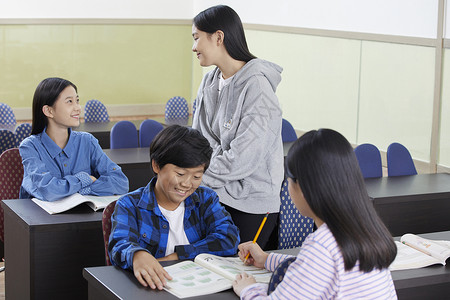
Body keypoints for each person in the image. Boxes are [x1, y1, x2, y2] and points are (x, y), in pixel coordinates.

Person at [233, 129, 398, 299]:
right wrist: (267, 259)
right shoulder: (366, 230)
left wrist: (248, 289)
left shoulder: (322, 246)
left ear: (304, 188)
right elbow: (313, 269)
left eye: (288, 181)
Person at [191, 5, 283, 250]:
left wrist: (195, 175)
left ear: (218, 37)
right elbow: (197, 140)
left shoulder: (258, 88)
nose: (193, 47)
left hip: (253, 203)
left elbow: (243, 159)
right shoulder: (209, 82)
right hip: (216, 193)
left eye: (196, 37)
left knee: (234, 273)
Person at [109, 125, 240, 290]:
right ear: (156, 166)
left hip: (199, 288)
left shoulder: (205, 199)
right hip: (152, 290)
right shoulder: (129, 205)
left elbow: (228, 238)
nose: (186, 184)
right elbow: (119, 245)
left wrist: (177, 256)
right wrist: (137, 255)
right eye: (180, 174)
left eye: (197, 176)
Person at [19, 77, 129, 201]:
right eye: (69, 101)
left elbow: (120, 182)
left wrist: (83, 189)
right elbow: (49, 191)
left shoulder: (87, 141)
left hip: (82, 217)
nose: (78, 108)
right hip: (41, 218)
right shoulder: (30, 146)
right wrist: (85, 179)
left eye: (77, 100)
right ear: (49, 111)